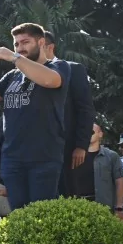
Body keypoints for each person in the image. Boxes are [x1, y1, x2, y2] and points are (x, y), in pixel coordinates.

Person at [0, 23, 72, 210]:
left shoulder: (59, 66)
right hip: (12, 158)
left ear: (41, 42)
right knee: (19, 216)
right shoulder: (13, 75)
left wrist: (13, 57)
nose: (20, 48)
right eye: (16, 44)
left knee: (41, 216)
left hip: (43, 157)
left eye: (25, 42)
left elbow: (49, 80)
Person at [43, 31, 95, 197]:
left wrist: (81, 145)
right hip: (37, 149)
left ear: (50, 47)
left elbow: (85, 109)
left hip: (68, 148)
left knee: (67, 193)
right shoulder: (26, 75)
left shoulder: (73, 69)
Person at [83, 124, 123, 217]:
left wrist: (119, 208)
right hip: (80, 207)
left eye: (91, 131)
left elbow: (119, 182)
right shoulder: (76, 155)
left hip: (104, 209)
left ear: (100, 134)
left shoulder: (111, 156)